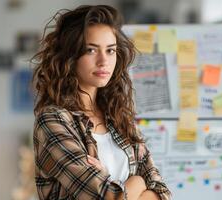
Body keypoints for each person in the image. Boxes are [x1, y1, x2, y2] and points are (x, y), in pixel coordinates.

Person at [31, 5, 171, 200]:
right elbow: (107, 197)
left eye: (111, 50)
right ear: (70, 56)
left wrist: (127, 187)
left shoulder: (119, 116)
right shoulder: (53, 120)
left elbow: (162, 192)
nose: (103, 60)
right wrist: (137, 183)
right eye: (91, 50)